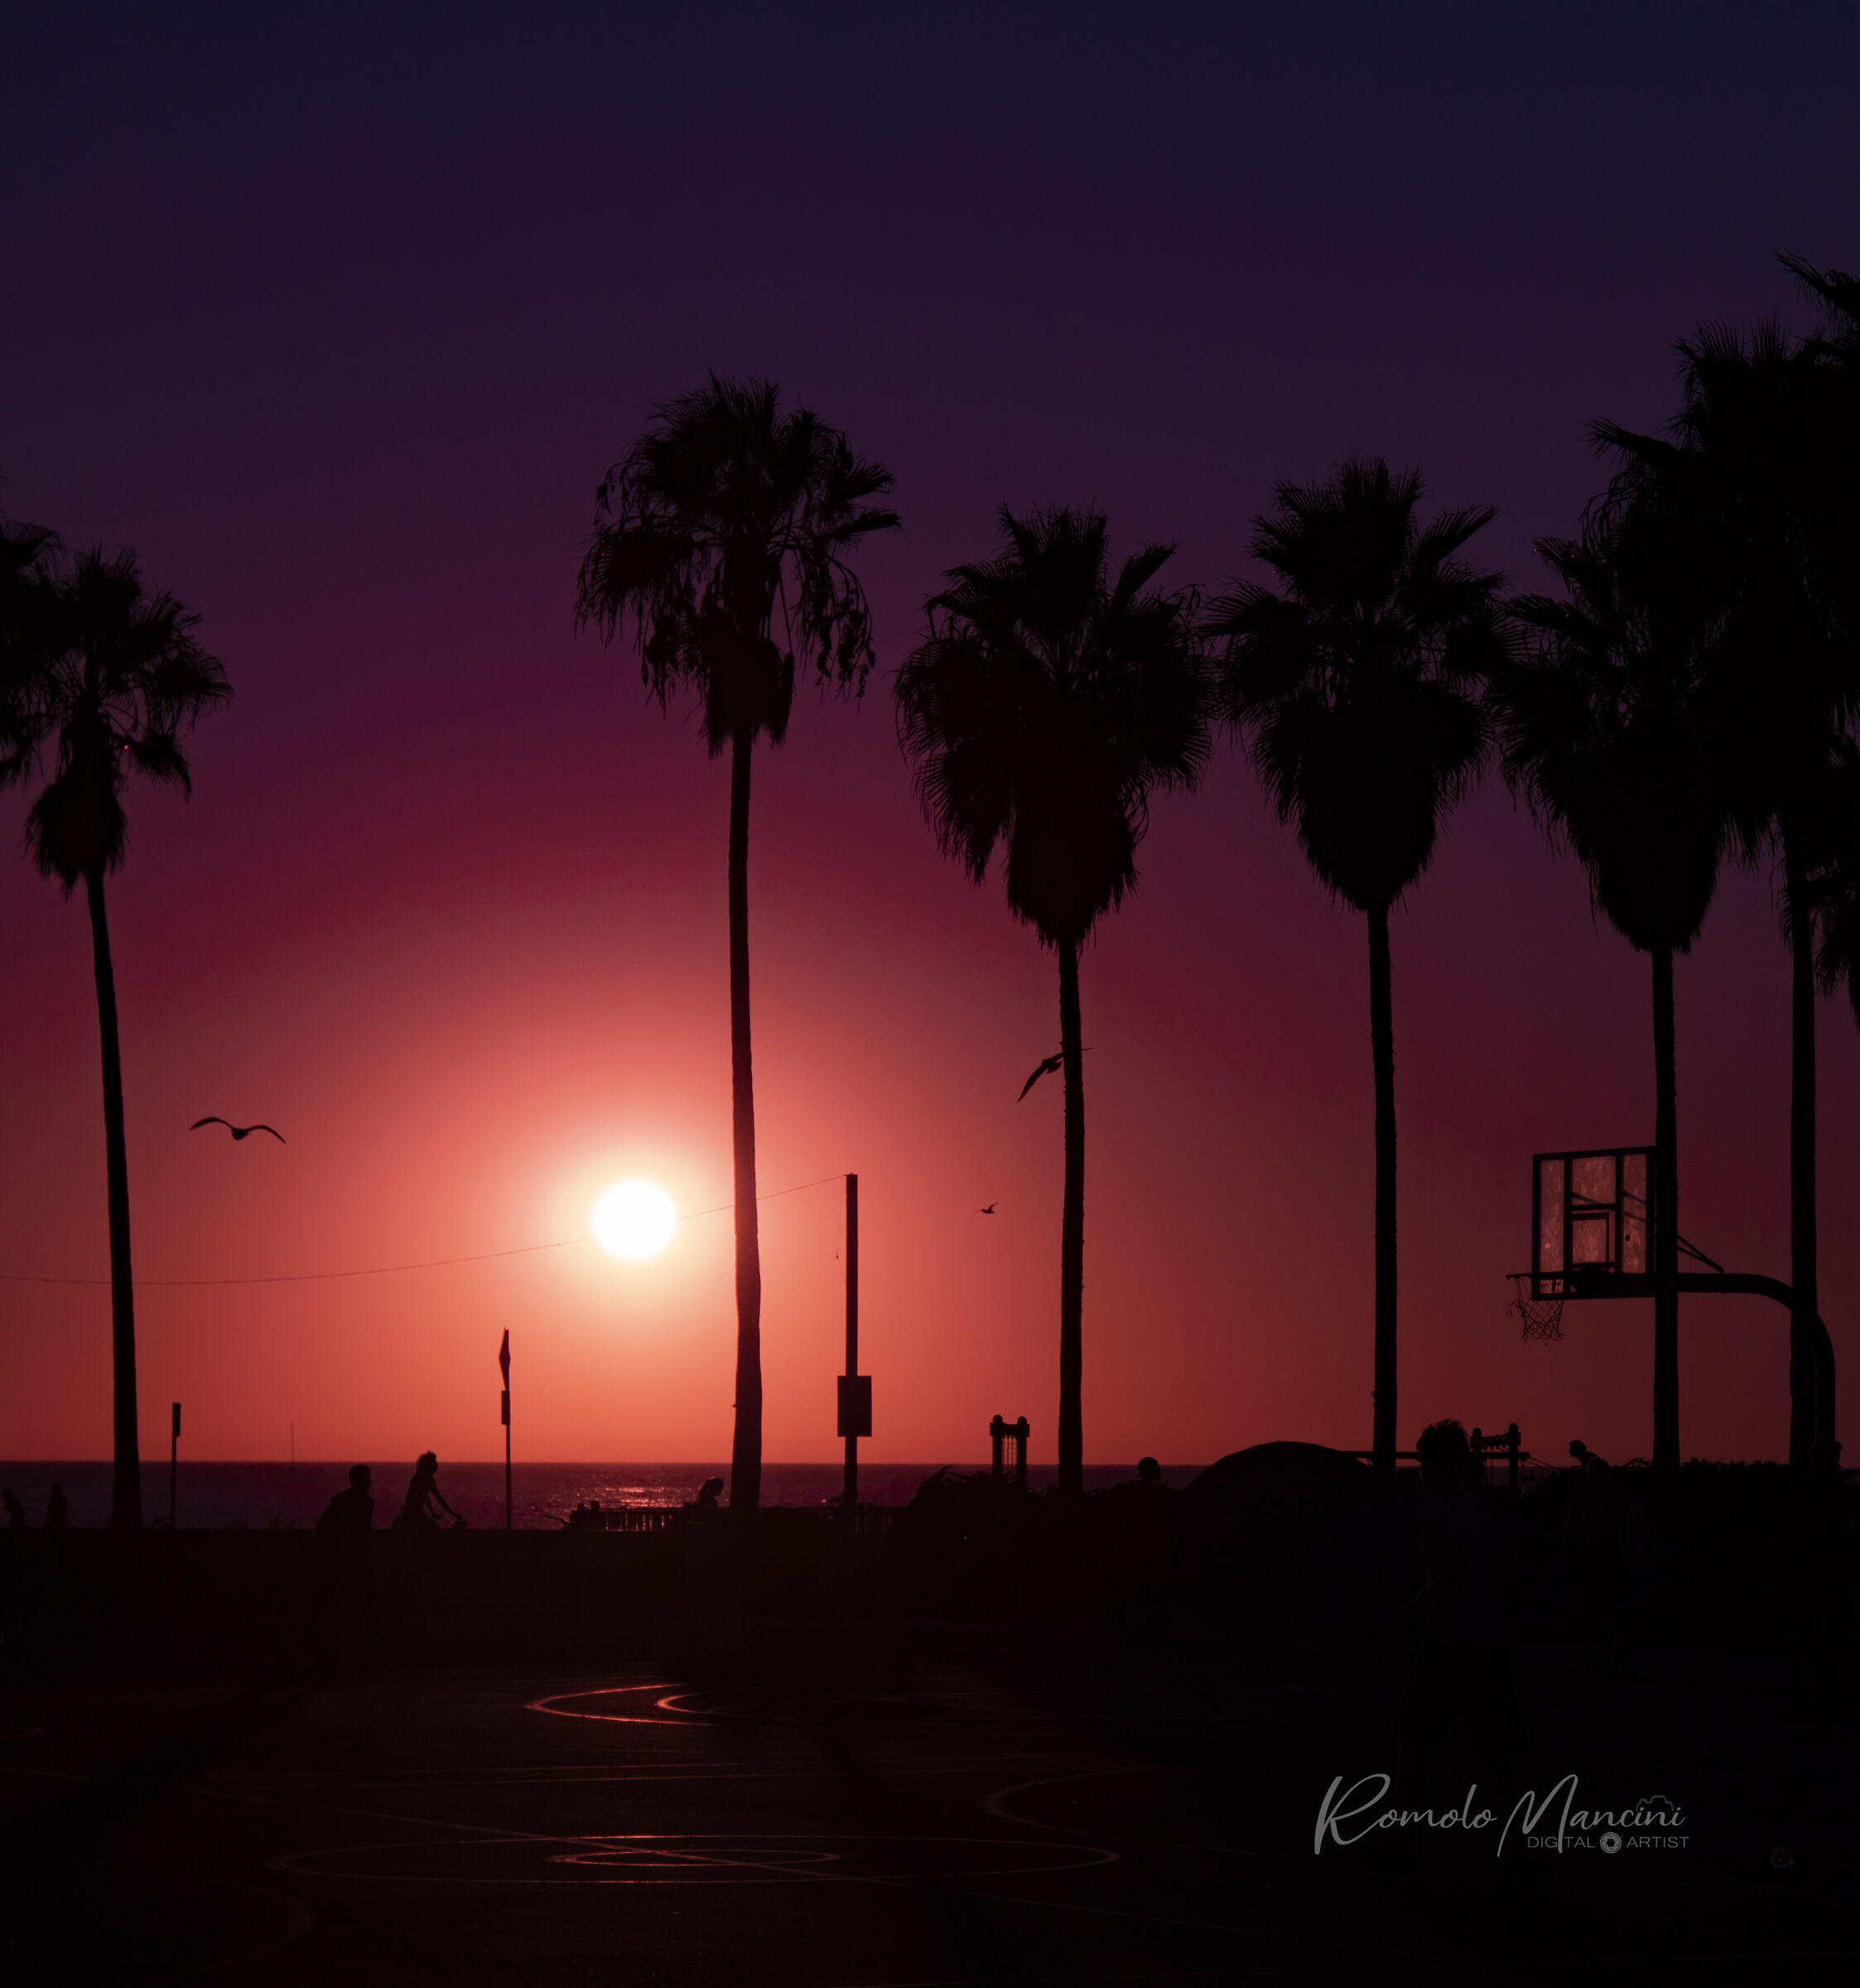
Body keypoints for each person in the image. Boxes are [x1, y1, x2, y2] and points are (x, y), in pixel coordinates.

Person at [1389, 1420, 1520, 1862]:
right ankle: (1511, 1841)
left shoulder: (1433, 1512)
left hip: (1450, 1639)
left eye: (1423, 1460)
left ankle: (1406, 1833)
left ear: (1433, 1464)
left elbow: (1447, 1573)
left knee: (1412, 1735)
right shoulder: (1483, 1513)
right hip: (1490, 1636)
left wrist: (1420, 1602)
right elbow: (1506, 1567)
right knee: (1491, 1748)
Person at [398, 1452, 461, 1531]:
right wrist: (454, 1514)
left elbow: (425, 1496)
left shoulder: (419, 1477)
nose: (436, 1465)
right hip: (412, 1518)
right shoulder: (426, 1479)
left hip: (411, 1516)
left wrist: (433, 1513)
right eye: (434, 1462)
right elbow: (439, 1498)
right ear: (428, 1465)